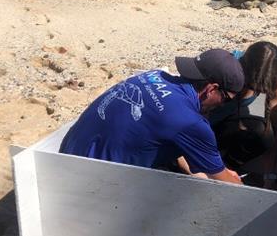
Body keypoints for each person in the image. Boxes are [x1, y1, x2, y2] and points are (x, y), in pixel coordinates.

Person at [59, 49, 245, 184]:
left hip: (63, 158)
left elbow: (171, 137)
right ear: (211, 89)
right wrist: (233, 179)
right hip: (89, 183)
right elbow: (229, 186)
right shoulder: (191, 123)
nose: (223, 105)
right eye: (226, 99)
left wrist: (213, 169)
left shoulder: (155, 75)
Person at [208, 42, 277, 187]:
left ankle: (228, 166)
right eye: (252, 86)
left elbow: (272, 129)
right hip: (202, 122)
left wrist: (270, 176)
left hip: (225, 122)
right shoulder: (225, 71)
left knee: (261, 133)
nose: (255, 91)